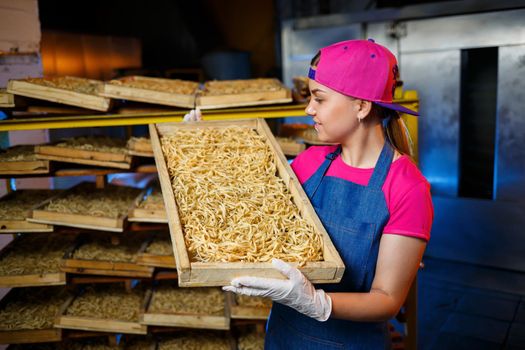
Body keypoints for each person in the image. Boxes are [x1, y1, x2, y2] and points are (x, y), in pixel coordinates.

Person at [186, 39, 433, 349]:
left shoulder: (407, 187)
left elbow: (387, 300)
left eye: (319, 98)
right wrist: (205, 149)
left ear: (361, 106)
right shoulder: (312, 161)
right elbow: (253, 202)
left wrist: (319, 303)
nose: (308, 109)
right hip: (284, 336)